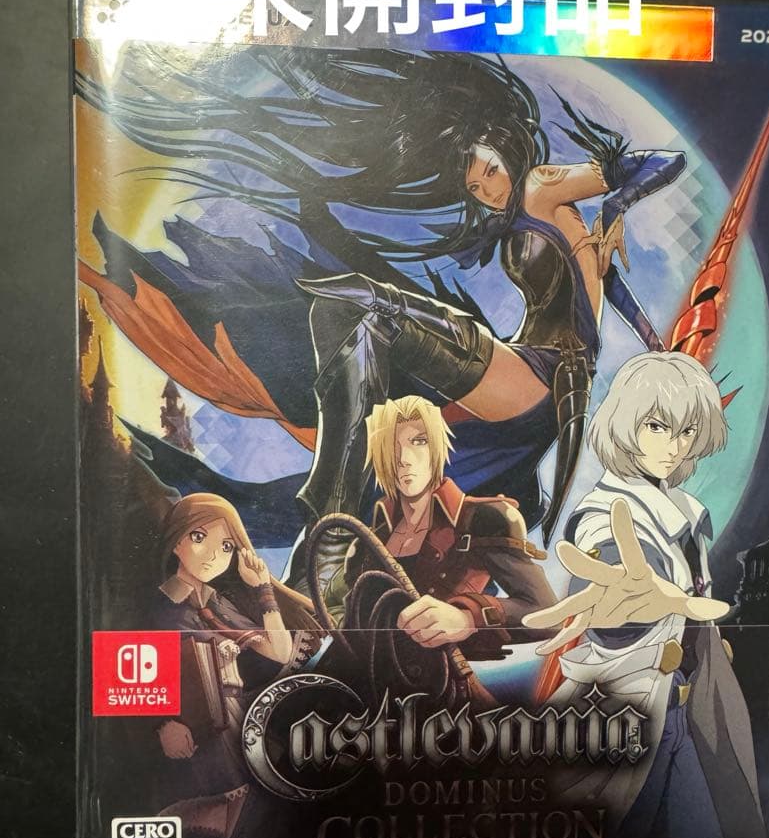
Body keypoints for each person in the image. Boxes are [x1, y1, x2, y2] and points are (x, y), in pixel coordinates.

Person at [75, 49, 683, 576]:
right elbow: (597, 286)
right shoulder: (538, 215)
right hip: (534, 380)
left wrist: (616, 207)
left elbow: (659, 162)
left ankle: (331, 522)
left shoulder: (540, 186)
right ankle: (338, 520)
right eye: (475, 187)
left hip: (542, 376)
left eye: (488, 170)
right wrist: (656, 342)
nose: (488, 189)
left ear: (503, 144)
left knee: (363, 308)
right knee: (365, 343)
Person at [524, 353, 769, 838]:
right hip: (626, 716)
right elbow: (609, 571)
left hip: (685, 713)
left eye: (685, 431)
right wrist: (631, 606)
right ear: (626, 425)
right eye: (657, 426)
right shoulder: (606, 513)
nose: (672, 446)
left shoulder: (680, 509)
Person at [322, 395, 558, 703]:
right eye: (392, 446)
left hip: (442, 696)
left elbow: (547, 614)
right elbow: (348, 630)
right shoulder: (367, 543)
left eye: (418, 442)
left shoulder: (482, 518)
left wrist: (466, 618)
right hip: (362, 697)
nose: (404, 458)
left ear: (437, 448)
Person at [150, 493, 320, 809]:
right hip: (200, 744)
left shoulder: (218, 603)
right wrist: (162, 724)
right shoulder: (161, 608)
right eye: (199, 538)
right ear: (176, 541)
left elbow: (280, 652)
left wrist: (263, 589)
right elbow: (130, 680)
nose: (214, 555)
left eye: (226, 546)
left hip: (242, 727)